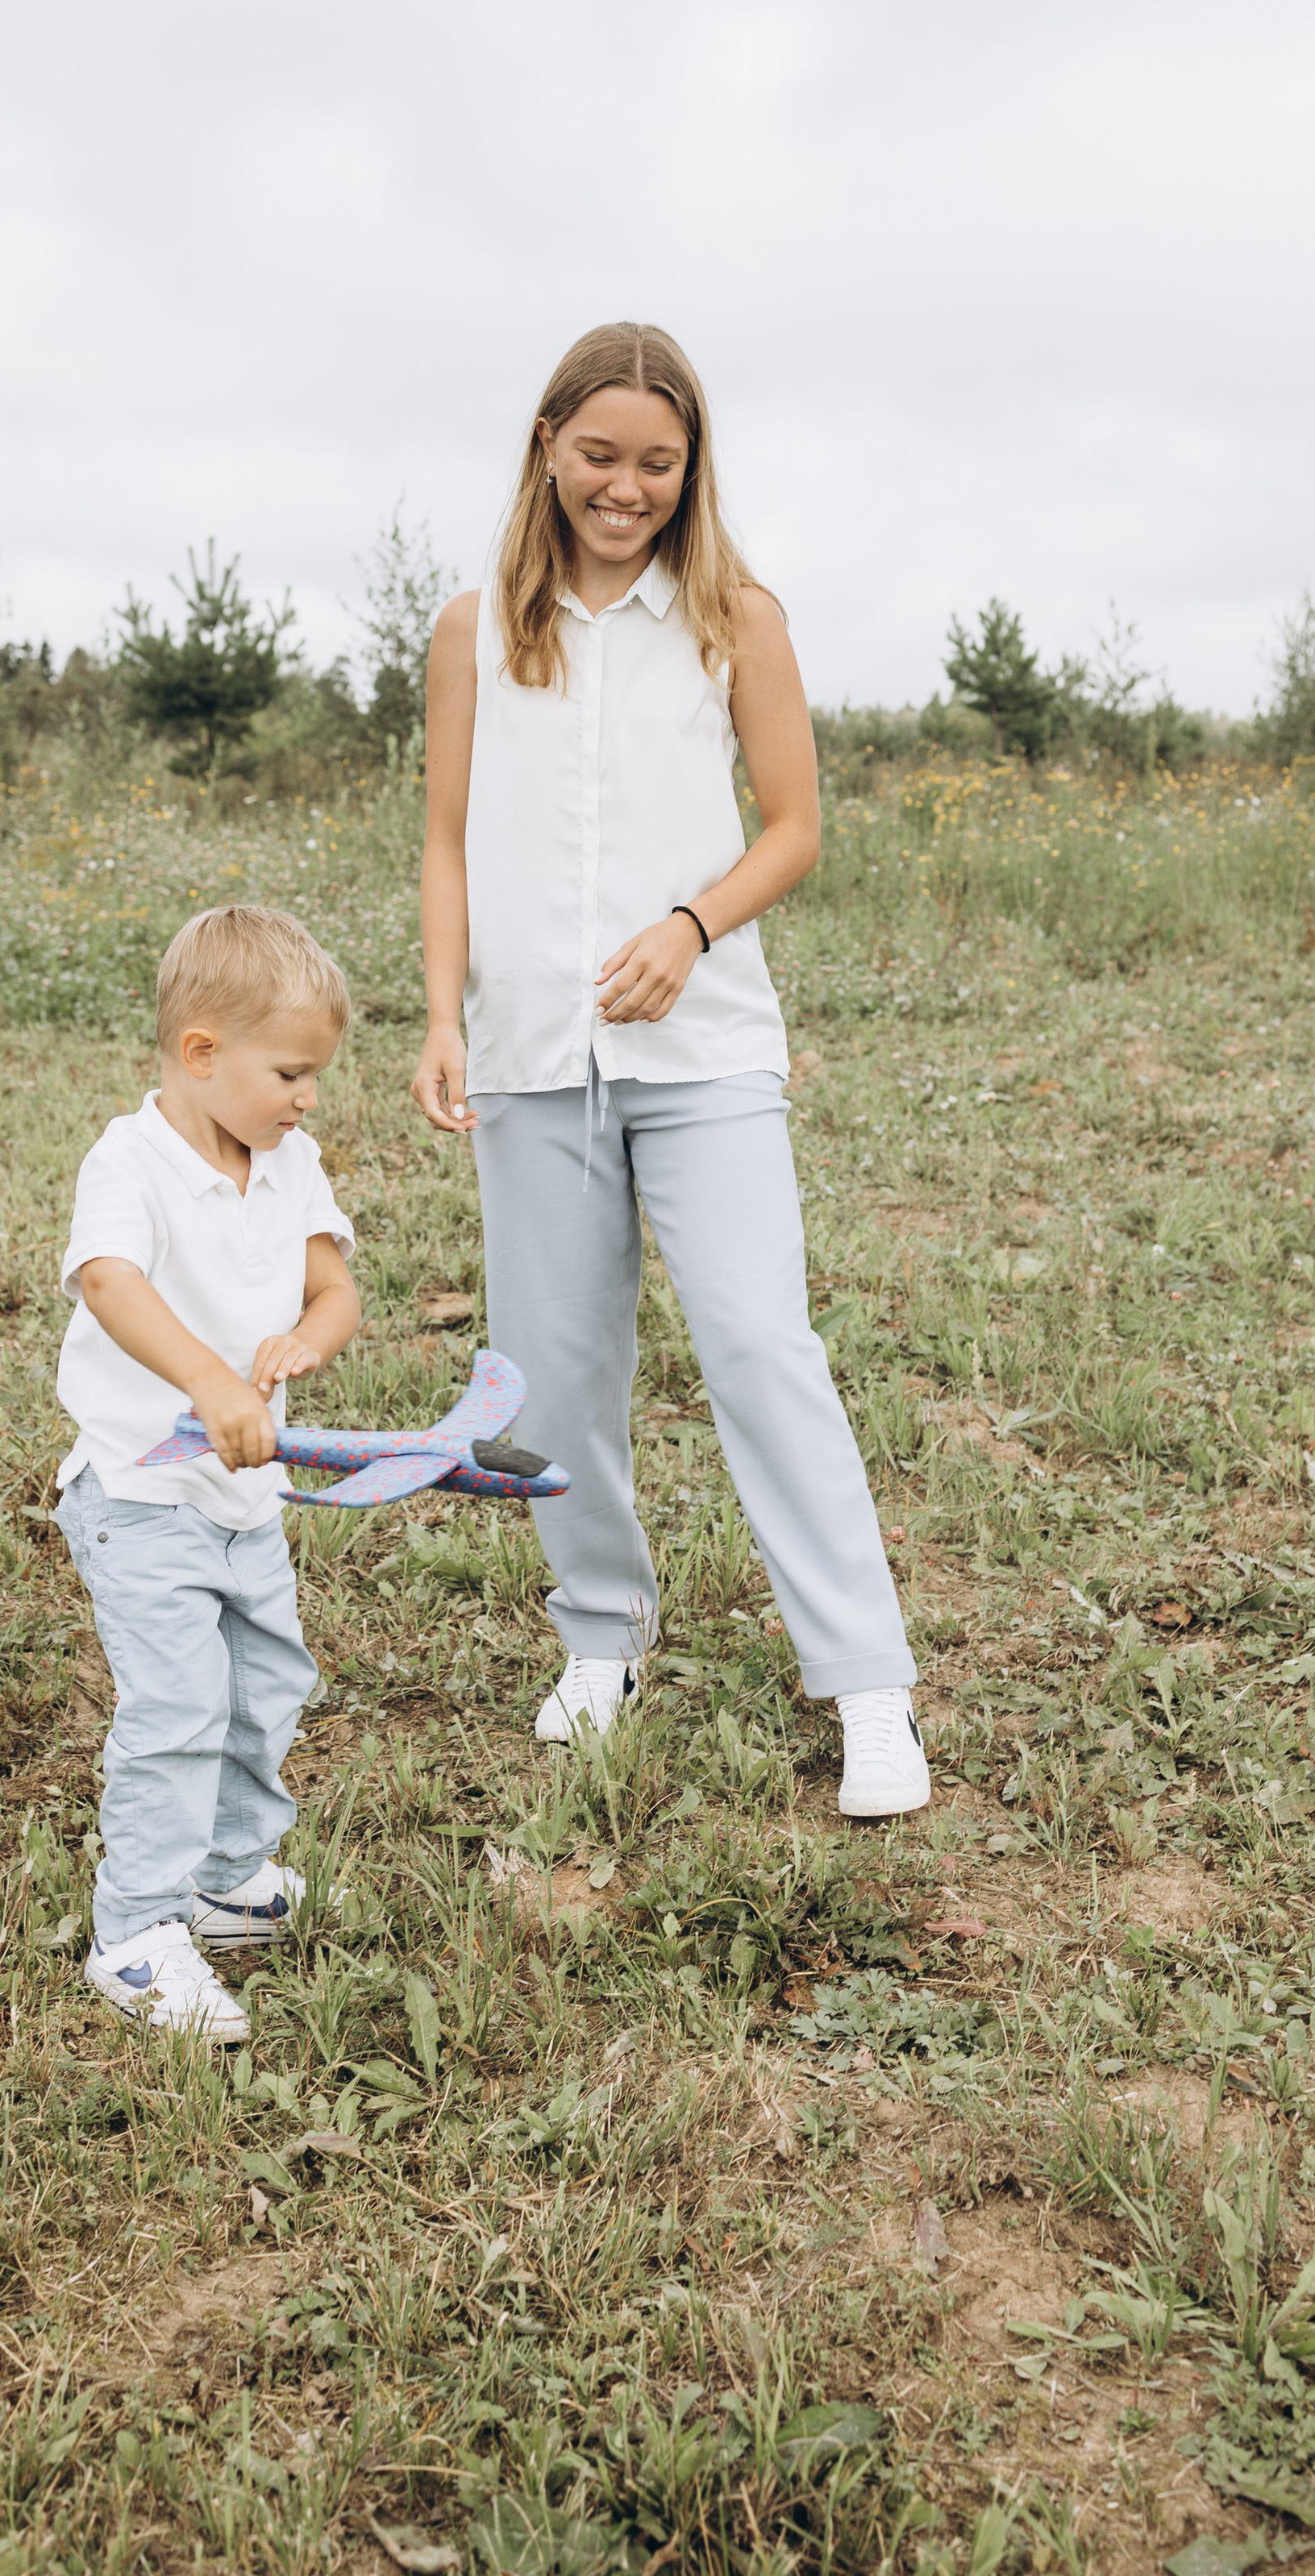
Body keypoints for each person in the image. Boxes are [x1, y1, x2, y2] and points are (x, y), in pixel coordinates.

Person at [410, 321, 929, 1817]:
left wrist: (692, 929)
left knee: (762, 1349)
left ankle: (869, 1688)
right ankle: (602, 1634)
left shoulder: (737, 619)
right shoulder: (473, 630)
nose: (625, 487)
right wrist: (442, 1016)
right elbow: (443, 844)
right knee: (555, 1381)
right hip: (525, 1052)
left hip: (702, 1049)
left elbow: (795, 827)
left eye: (656, 460)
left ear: (691, 465)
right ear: (546, 450)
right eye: (598, 457)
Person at [55, 904, 362, 2038]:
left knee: (264, 1686)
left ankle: (227, 1881)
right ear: (201, 1053)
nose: (307, 1097)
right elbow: (109, 1283)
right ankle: (135, 1933)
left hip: (246, 1500)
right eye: (291, 1073)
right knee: (181, 1702)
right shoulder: (130, 1160)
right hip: (140, 1497)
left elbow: (333, 1289)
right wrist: (213, 1384)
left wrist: (302, 1347)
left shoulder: (290, 1163)